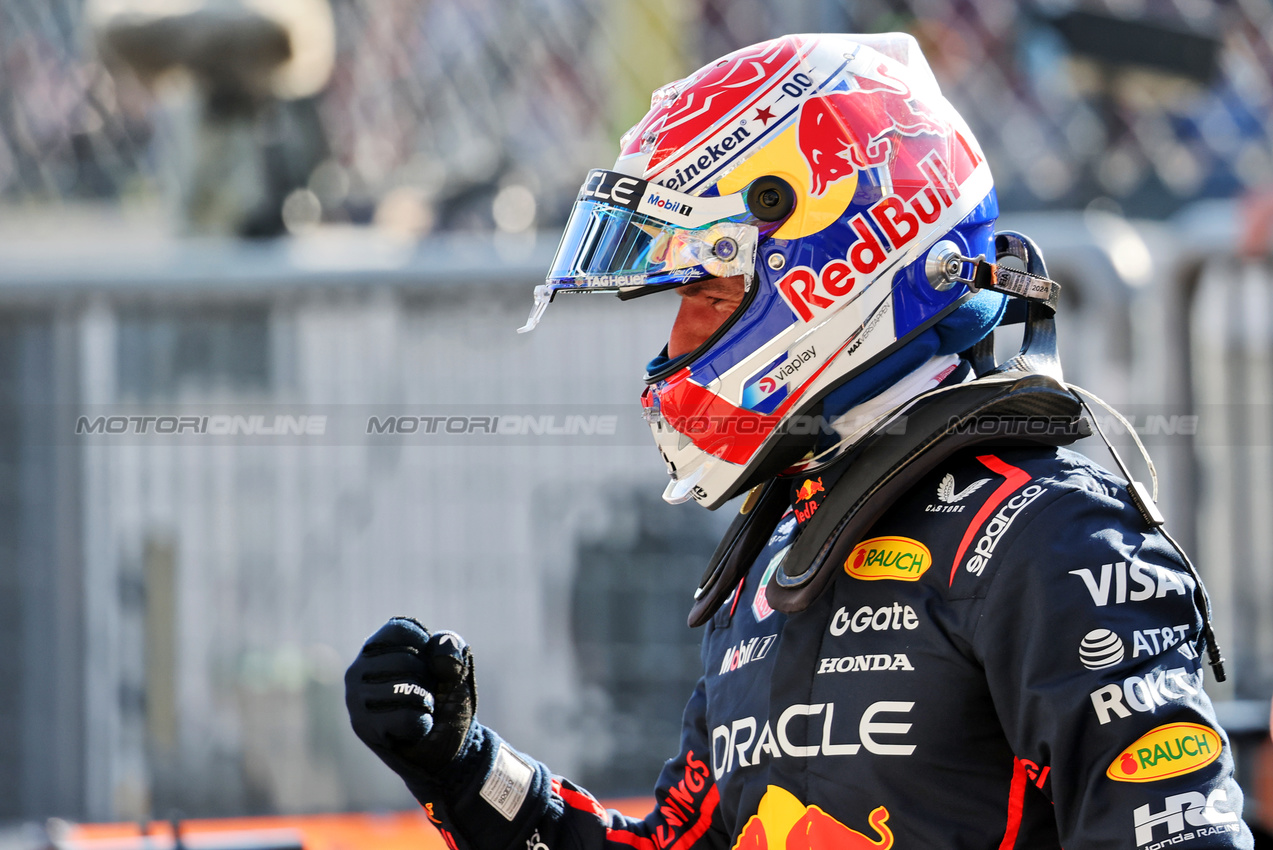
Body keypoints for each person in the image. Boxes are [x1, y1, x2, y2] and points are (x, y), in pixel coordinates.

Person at [346, 33, 1254, 849]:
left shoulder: (1045, 538)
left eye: (702, 298)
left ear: (836, 267)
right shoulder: (781, 548)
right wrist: (465, 771)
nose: (673, 351)